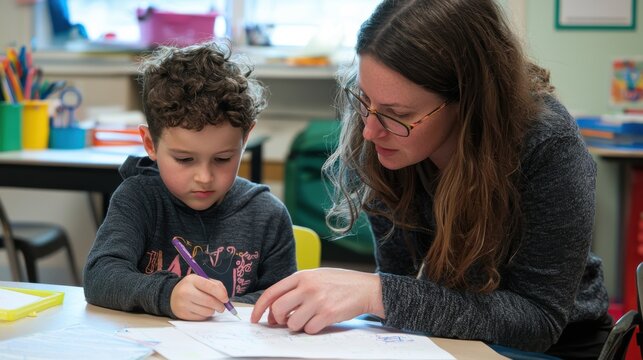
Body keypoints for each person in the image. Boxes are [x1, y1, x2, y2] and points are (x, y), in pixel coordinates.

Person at [251, 0, 612, 358]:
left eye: (398, 113)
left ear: (468, 103)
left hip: (558, 347)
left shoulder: (547, 146)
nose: (370, 131)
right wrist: (382, 296)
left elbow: (538, 322)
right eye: (364, 99)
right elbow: (403, 296)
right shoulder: (384, 138)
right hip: (440, 340)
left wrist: (377, 293)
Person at [84, 41, 297, 320]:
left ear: (245, 139)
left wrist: (219, 308)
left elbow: (282, 299)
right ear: (150, 143)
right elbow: (99, 277)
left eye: (222, 159)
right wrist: (167, 295)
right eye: (184, 160)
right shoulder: (138, 199)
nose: (205, 178)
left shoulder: (267, 215)